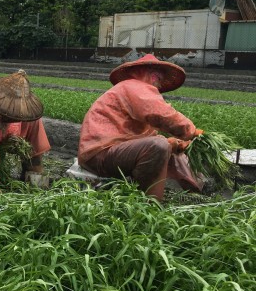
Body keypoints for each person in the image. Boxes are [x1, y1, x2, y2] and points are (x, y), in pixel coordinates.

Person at [77, 54, 204, 202]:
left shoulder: (130, 90)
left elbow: (147, 136)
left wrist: (174, 143)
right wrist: (192, 132)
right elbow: (161, 114)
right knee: (159, 146)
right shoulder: (134, 87)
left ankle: (197, 192)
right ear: (151, 75)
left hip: (112, 152)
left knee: (169, 147)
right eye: (159, 79)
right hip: (99, 154)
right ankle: (152, 205)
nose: (159, 85)